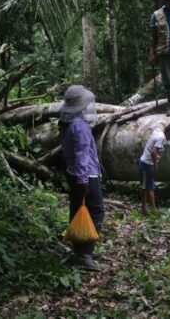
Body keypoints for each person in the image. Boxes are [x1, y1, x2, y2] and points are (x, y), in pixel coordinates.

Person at [59, 85, 104, 271]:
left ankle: (79, 250)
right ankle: (85, 254)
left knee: (77, 209)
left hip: (73, 173)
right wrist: (84, 180)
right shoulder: (81, 126)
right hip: (85, 175)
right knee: (95, 211)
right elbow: (82, 155)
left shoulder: (67, 123)